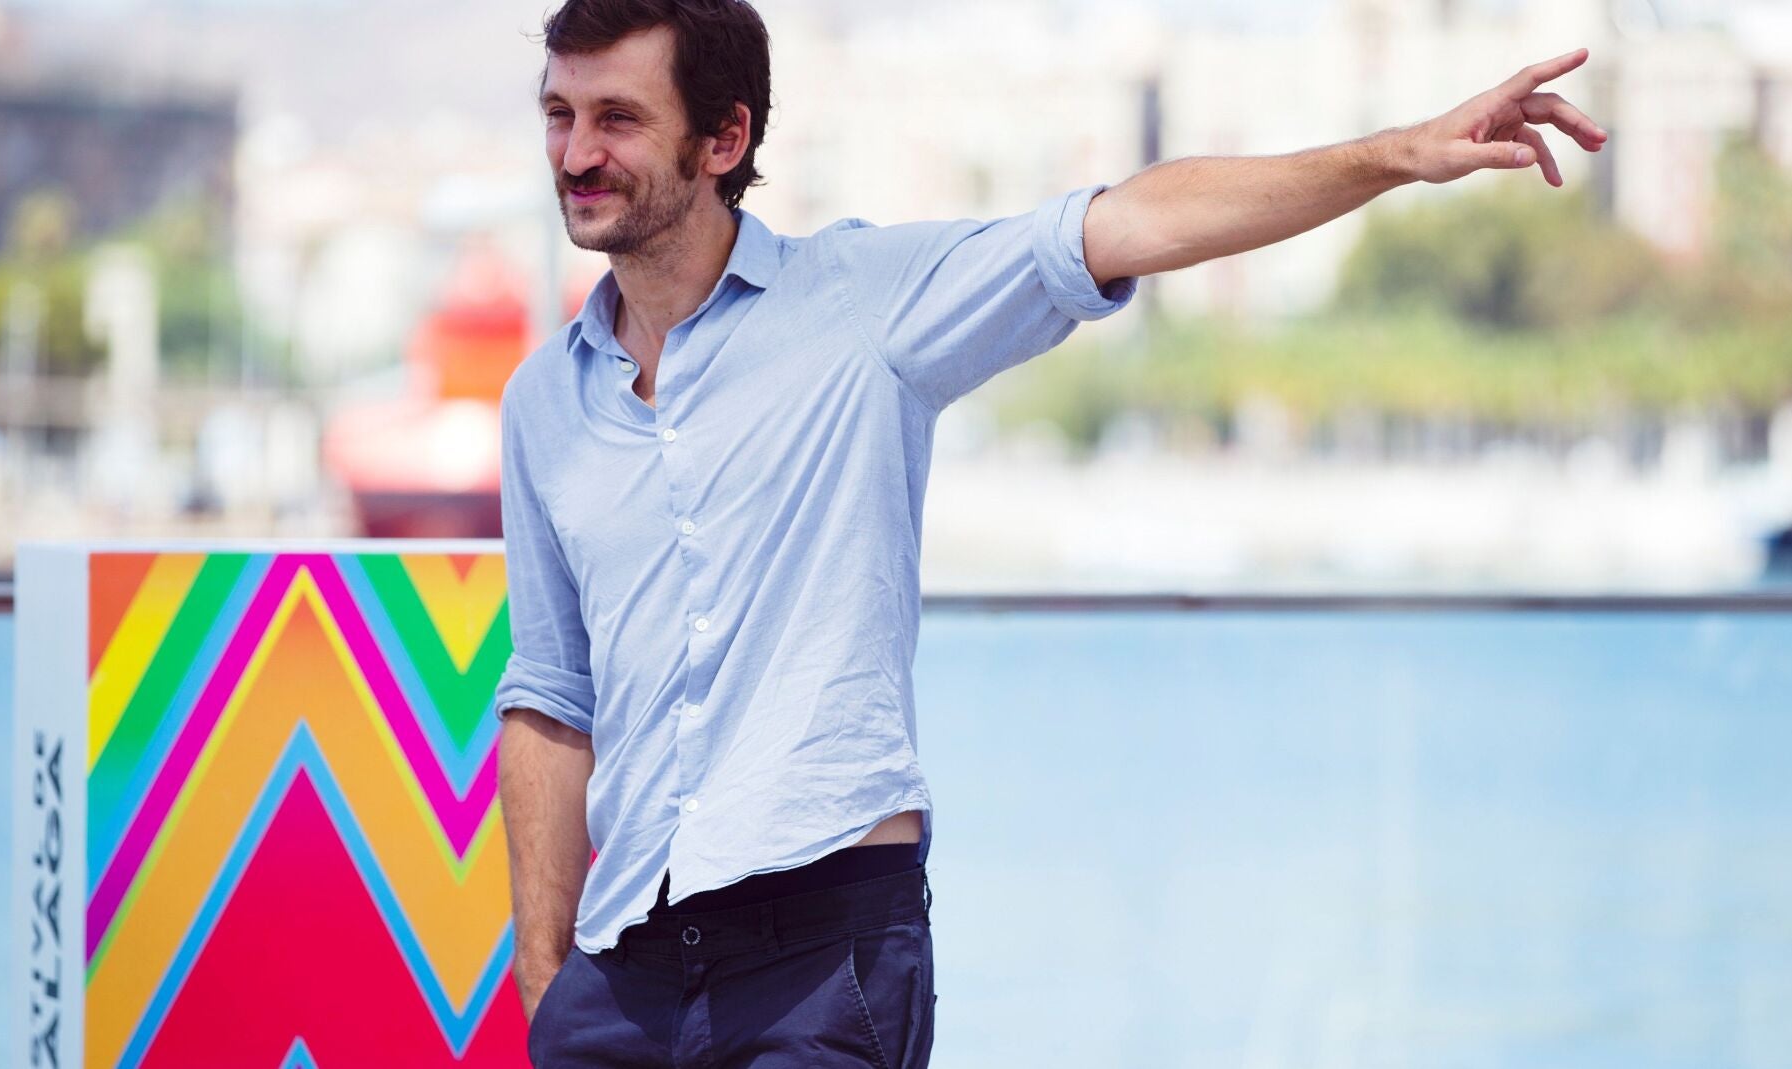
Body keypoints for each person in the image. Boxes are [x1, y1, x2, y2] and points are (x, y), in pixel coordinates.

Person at [492, 2, 1607, 1065]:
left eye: (617, 118)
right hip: (621, 975)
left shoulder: (858, 304)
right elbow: (551, 693)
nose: (577, 152)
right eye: (560, 114)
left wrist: (1399, 154)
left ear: (723, 139)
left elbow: (1129, 222)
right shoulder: (543, 404)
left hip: (819, 957)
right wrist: (546, 986)